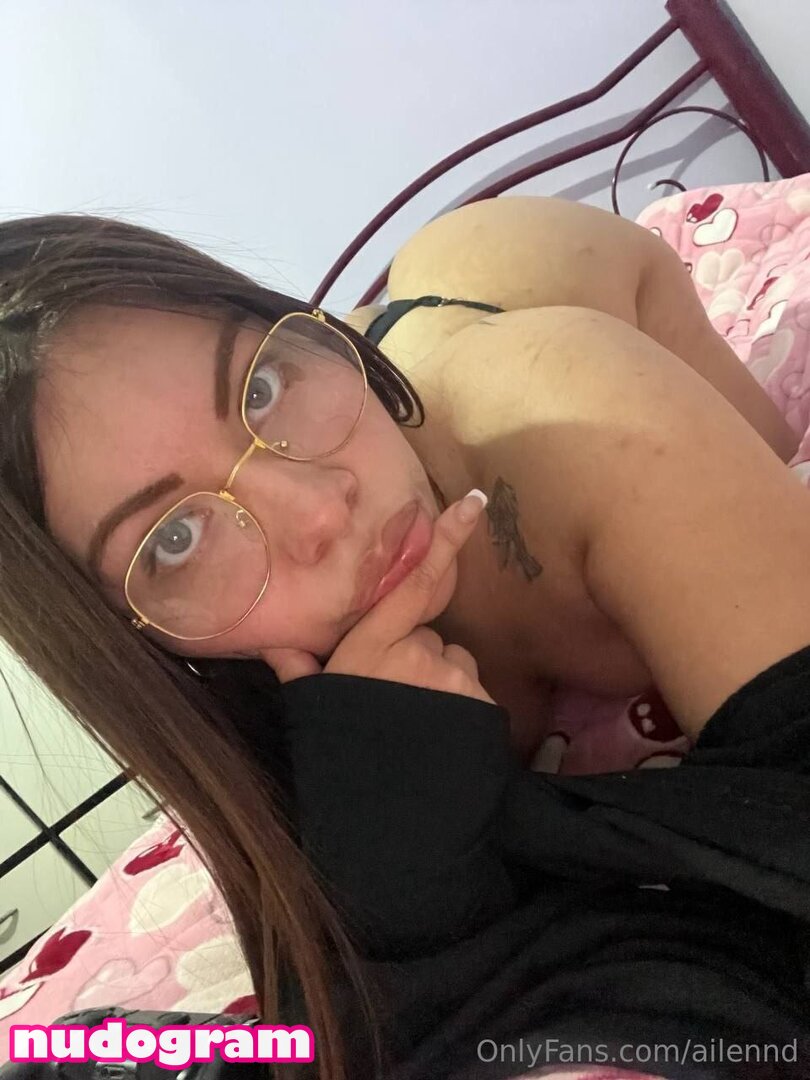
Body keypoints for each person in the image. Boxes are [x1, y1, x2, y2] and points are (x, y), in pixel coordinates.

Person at [1, 207, 809, 1079]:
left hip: (526, 261)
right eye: (175, 539)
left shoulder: (590, 425)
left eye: (261, 386)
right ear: (132, 638)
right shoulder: (231, 687)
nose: (321, 509)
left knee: (768, 442)